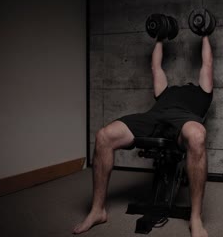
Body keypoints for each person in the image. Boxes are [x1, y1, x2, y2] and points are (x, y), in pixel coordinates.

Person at [73, 35, 213, 237]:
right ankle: (97, 210)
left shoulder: (202, 93)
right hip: (153, 117)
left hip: (184, 120)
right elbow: (156, 67)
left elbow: (207, 62)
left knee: (197, 135)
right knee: (104, 135)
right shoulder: (165, 92)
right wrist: (160, 37)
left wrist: (205, 33)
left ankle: (196, 218)